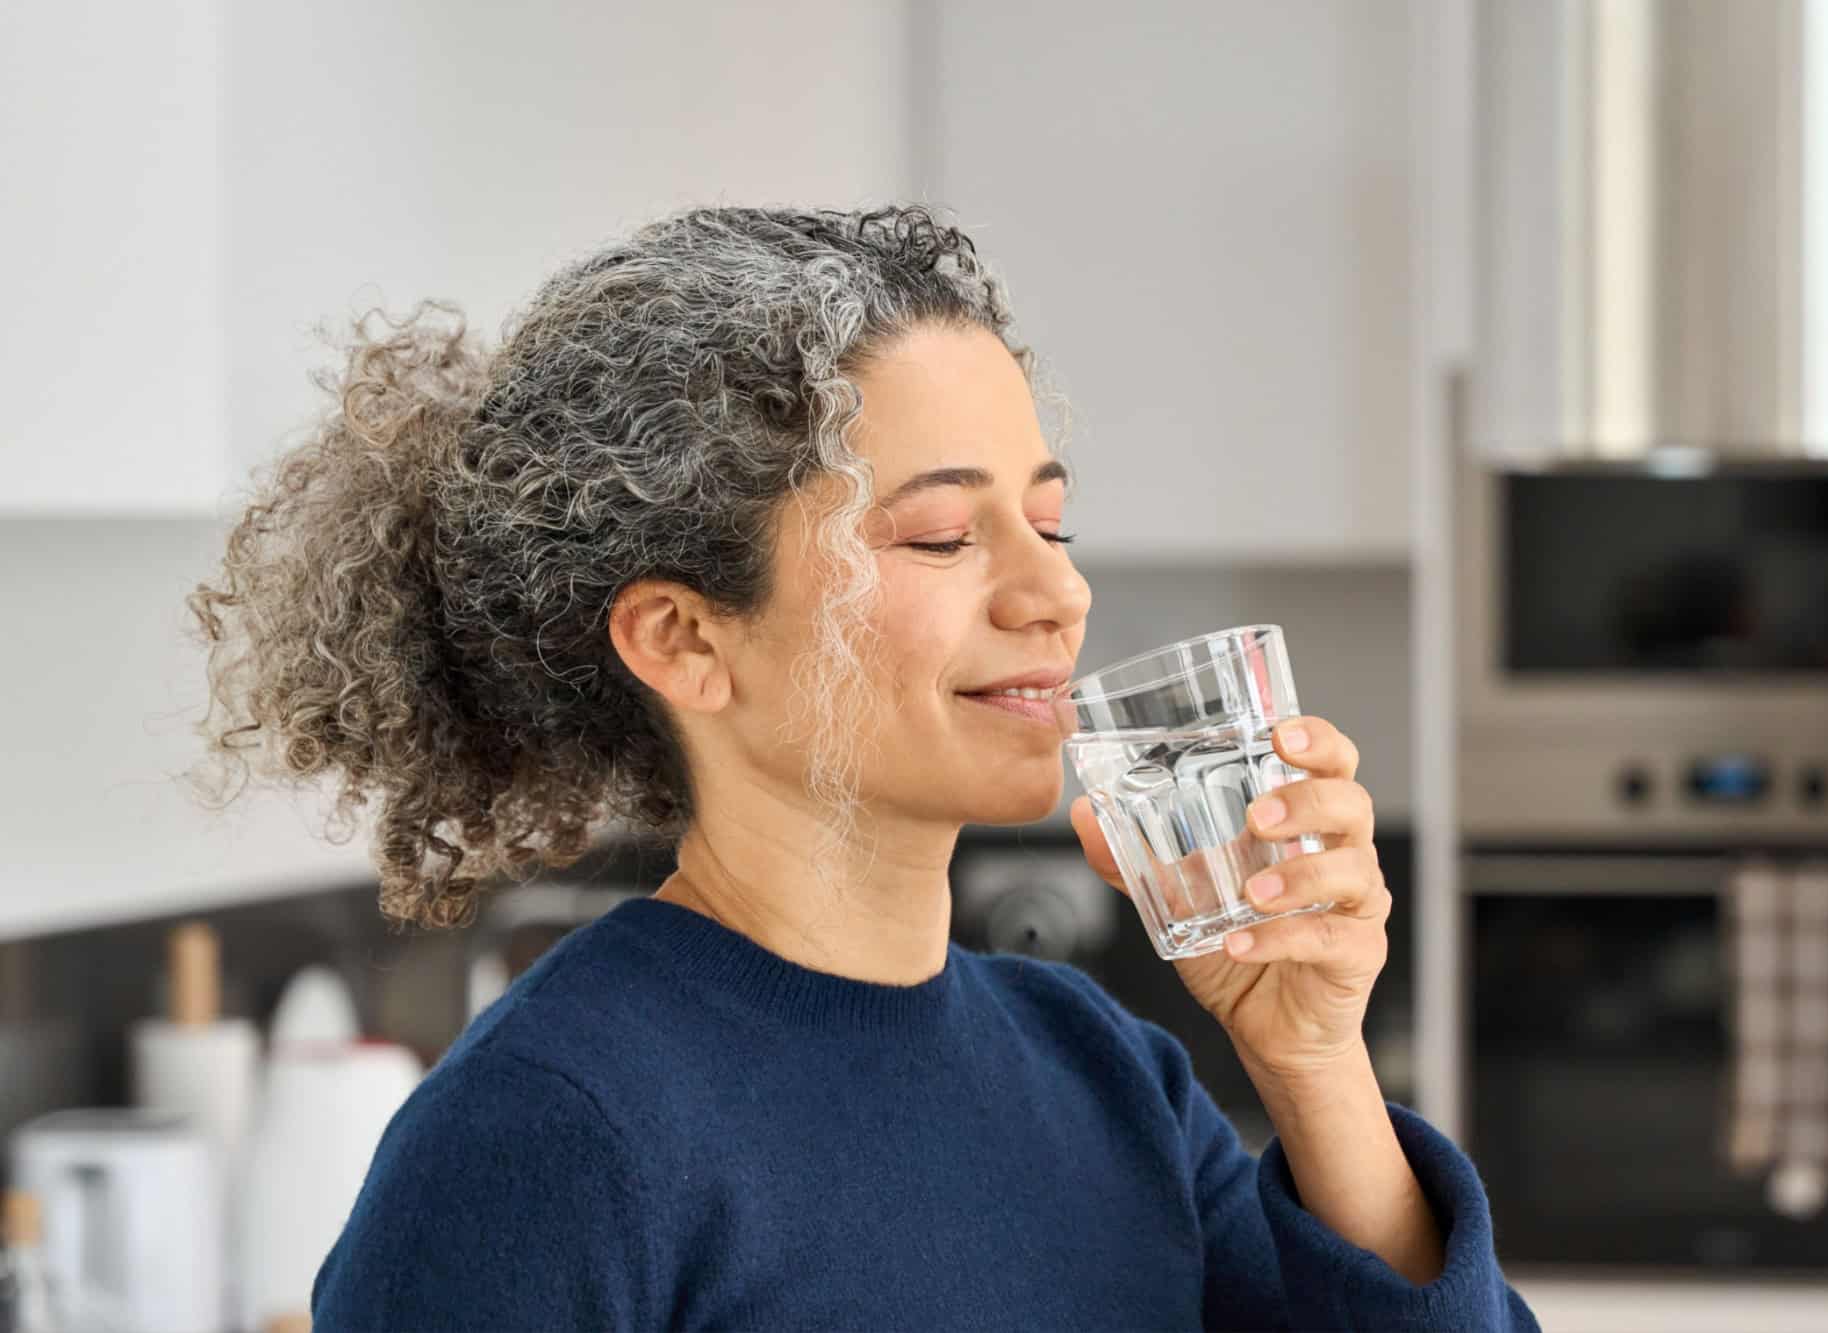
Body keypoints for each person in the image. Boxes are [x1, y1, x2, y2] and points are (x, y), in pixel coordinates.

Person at [185, 203, 1540, 1331]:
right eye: (946, 537)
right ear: (687, 641)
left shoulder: (1100, 1070)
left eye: (1051, 521)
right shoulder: (551, 1134)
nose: (1055, 593)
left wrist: (1315, 1065)